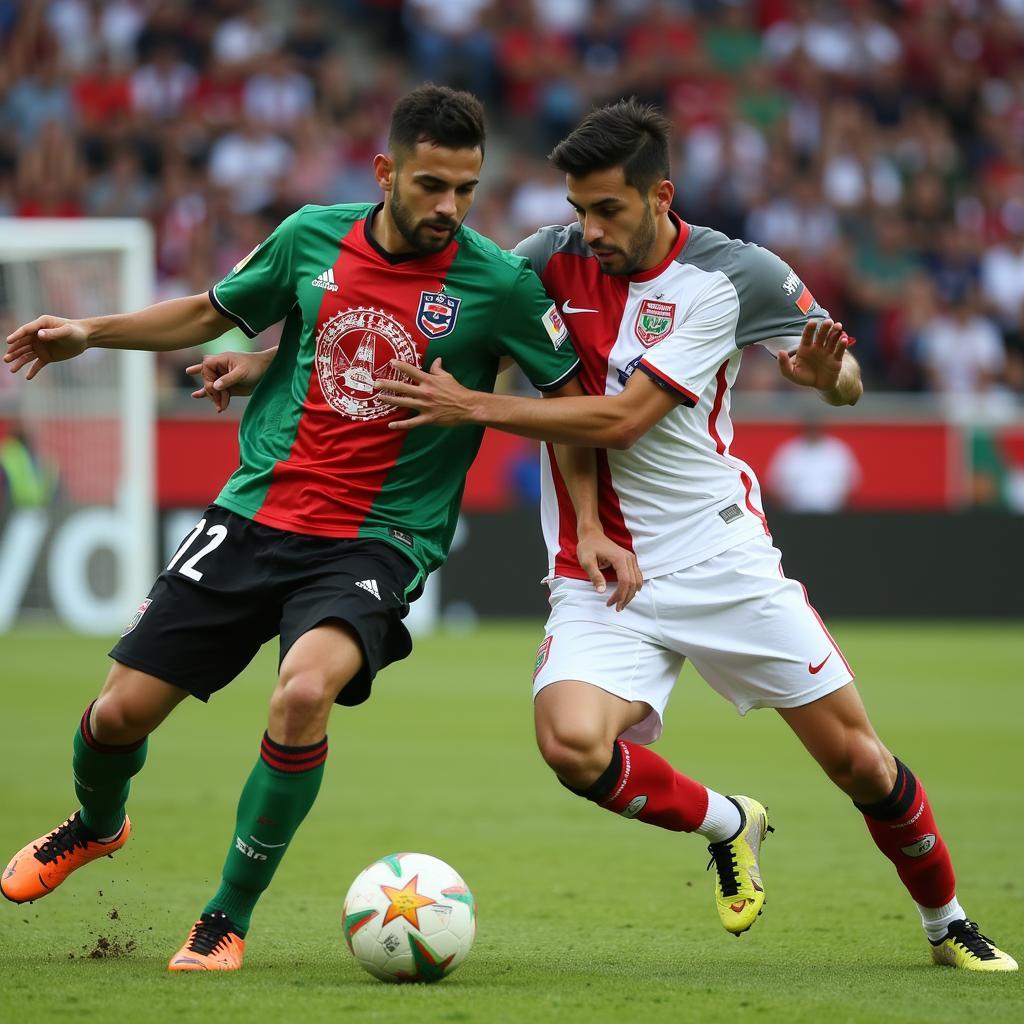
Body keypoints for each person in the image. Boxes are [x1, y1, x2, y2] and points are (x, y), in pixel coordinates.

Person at [0, 85, 639, 974]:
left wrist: (590, 525)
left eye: (466, 189)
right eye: (430, 186)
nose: (448, 207)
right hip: (255, 512)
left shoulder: (497, 283)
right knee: (115, 717)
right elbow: (212, 311)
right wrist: (91, 332)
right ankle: (97, 826)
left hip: (380, 538)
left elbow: (570, 397)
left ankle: (225, 916)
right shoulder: (311, 235)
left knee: (302, 696)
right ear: (386, 173)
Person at [367, 100, 1015, 971]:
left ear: (660, 195)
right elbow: (422, 305)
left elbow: (635, 416)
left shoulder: (730, 277)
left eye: (608, 210)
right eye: (578, 209)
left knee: (859, 764)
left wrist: (834, 379)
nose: (587, 229)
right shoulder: (547, 262)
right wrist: (267, 360)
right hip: (595, 567)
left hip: (718, 557)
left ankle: (948, 925)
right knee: (570, 743)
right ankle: (728, 821)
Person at [765, 419, 861, 512]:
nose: (813, 433)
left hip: (832, 512)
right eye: (810, 429)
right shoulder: (789, 450)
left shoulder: (838, 450)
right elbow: (774, 483)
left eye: (815, 429)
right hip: (795, 513)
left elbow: (852, 481)